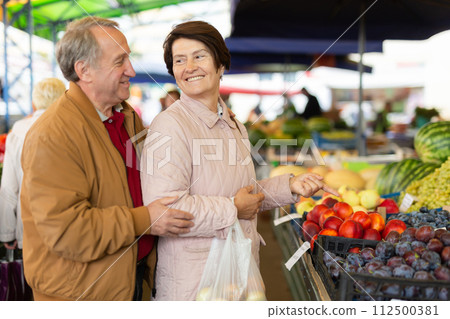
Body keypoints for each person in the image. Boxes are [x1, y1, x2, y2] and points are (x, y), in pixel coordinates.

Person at [140, 21, 338, 301]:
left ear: (221, 64)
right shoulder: (169, 127)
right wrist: (233, 208)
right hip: (196, 284)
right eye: (179, 60)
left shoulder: (232, 123)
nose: (189, 67)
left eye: (199, 56)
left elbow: (241, 191)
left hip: (237, 272)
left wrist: (290, 187)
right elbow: (165, 210)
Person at [20, 17, 194, 301]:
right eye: (119, 61)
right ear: (84, 70)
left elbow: (167, 164)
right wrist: (144, 220)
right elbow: (68, 231)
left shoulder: (125, 118)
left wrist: (207, 118)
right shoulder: (53, 135)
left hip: (130, 279)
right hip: (84, 294)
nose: (132, 70)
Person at [0, 78, 66, 251]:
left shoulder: (19, 130)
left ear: (34, 103)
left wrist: (7, 232)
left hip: (29, 229)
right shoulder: (72, 128)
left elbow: (9, 187)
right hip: (67, 229)